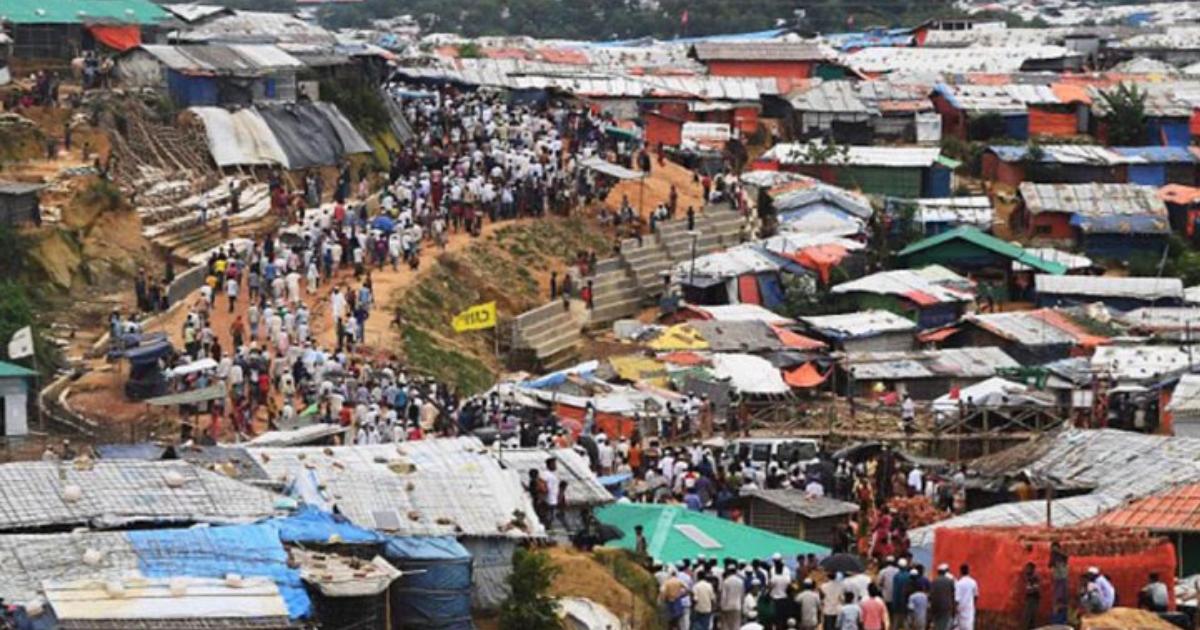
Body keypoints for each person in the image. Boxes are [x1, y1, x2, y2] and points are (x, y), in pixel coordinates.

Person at [929, 565, 955, 630]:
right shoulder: (950, 581)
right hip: (946, 606)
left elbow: (931, 594)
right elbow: (953, 594)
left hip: (935, 606)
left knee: (937, 624)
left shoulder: (934, 581)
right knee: (944, 624)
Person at [721, 564, 746, 630]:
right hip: (737, 606)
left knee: (726, 626)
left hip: (727, 606)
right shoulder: (740, 581)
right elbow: (742, 595)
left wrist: (722, 607)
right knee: (736, 625)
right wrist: (742, 605)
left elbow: (724, 596)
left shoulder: (726, 581)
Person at [954, 564, 978, 630]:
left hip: (960, 610)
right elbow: (976, 596)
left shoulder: (959, 583)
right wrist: (973, 605)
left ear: (960, 571)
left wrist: (954, 610)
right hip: (969, 609)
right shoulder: (973, 582)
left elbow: (956, 599)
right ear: (968, 571)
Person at [1022, 562, 1041, 630]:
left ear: (1032, 569)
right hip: (1030, 599)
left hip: (1033, 599)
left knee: (1029, 617)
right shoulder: (1029, 577)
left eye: (1028, 568)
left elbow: (1036, 589)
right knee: (1030, 618)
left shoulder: (1034, 578)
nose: (1026, 569)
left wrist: (1029, 590)